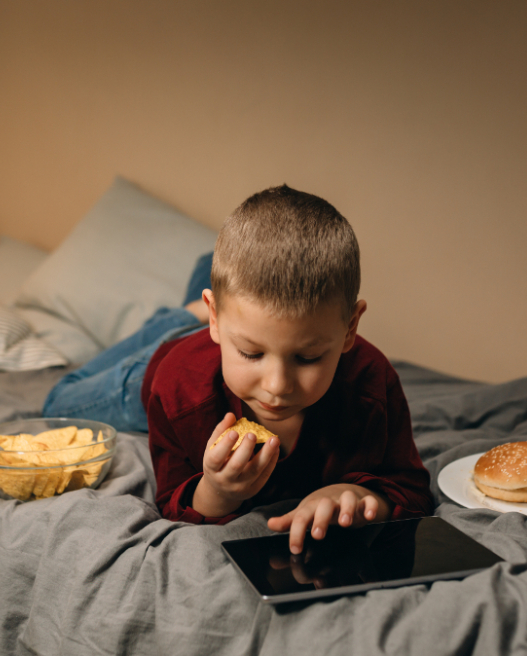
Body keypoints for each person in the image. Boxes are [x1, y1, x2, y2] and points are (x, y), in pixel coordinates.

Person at [44, 185, 434, 554]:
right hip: (166, 359)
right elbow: (172, 503)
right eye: (250, 353)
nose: (278, 387)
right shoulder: (180, 388)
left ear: (350, 328)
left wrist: (364, 498)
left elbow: (411, 489)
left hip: (218, 330)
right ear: (216, 319)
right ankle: (185, 317)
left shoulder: (372, 383)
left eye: (308, 357)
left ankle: (215, 295)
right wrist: (217, 492)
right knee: (58, 403)